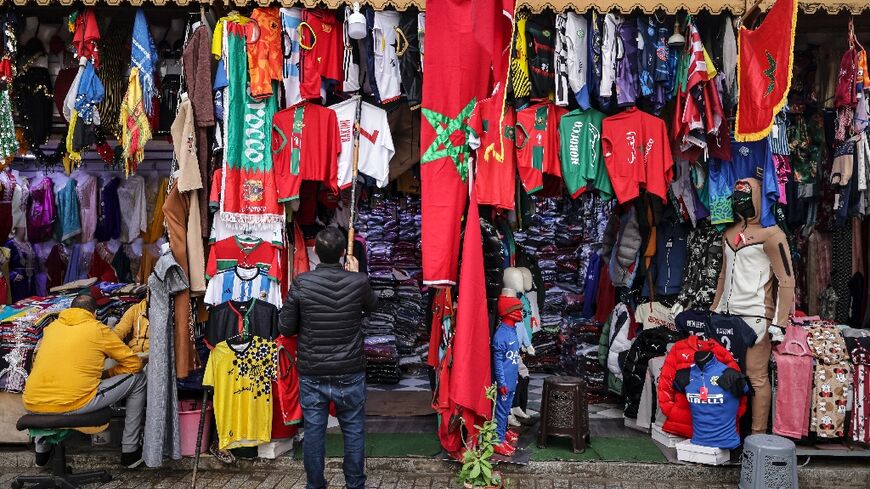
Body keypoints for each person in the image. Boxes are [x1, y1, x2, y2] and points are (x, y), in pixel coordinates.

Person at [279, 227, 376, 489]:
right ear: (344, 253)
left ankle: (315, 485)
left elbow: (286, 327)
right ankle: (355, 485)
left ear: (316, 253)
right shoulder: (358, 281)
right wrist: (356, 276)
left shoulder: (302, 283)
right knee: (353, 431)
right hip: (350, 369)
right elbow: (373, 307)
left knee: (314, 433)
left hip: (313, 371)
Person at [23, 294, 146, 468]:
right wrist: (106, 374)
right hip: (73, 402)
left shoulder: (51, 328)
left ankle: (42, 453)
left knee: (48, 392)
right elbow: (134, 364)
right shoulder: (97, 329)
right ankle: (130, 452)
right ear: (94, 314)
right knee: (139, 379)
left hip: (32, 403)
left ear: (70, 310)